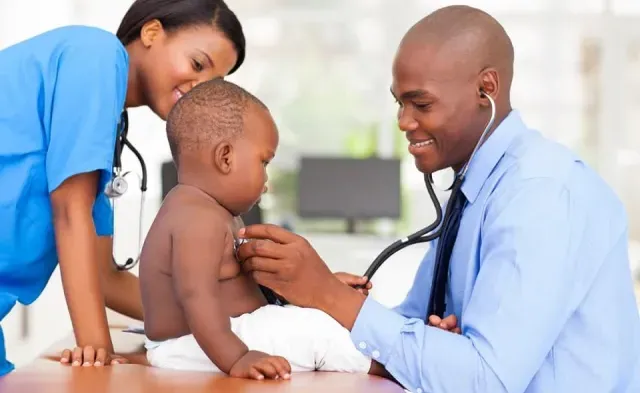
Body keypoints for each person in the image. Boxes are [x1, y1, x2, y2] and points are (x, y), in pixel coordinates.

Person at [235, 5, 640, 393]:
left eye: (421, 103)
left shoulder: (543, 195)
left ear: (487, 89)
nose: (403, 122)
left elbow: (486, 380)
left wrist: (329, 294)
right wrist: (318, 301)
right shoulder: (472, 191)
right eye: (400, 103)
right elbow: (416, 324)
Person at [0, 0, 245, 375]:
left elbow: (105, 278)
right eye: (197, 64)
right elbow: (70, 211)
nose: (199, 88)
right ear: (151, 33)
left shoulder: (103, 119)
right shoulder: (96, 54)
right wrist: (96, 350)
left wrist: (245, 314)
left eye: (213, 84)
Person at [139, 78, 390, 380]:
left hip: (221, 334)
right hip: (196, 343)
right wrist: (237, 357)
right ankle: (395, 368)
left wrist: (320, 290)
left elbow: (239, 287)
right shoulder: (196, 219)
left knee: (325, 316)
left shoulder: (214, 211)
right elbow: (197, 298)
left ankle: (400, 347)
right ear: (226, 157)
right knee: (315, 333)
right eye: (264, 162)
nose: (267, 182)